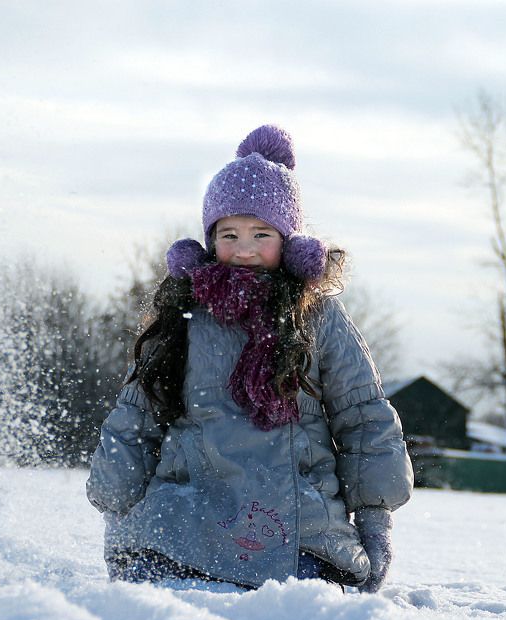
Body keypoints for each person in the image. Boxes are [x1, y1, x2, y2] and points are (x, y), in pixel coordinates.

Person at [85, 124, 413, 592]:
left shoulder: (316, 317)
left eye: (262, 234)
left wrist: (376, 519)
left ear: (290, 243)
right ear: (208, 239)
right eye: (229, 233)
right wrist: (116, 509)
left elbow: (362, 415)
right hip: (181, 527)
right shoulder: (184, 316)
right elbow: (137, 415)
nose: (244, 249)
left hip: (300, 534)